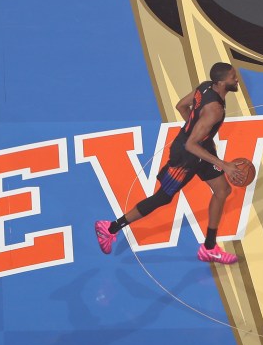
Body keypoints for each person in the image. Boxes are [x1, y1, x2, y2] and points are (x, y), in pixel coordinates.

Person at [95, 62, 245, 264]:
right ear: (220, 83)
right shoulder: (215, 110)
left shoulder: (205, 87)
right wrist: (223, 163)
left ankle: (209, 248)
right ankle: (110, 228)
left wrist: (197, 131)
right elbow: (192, 144)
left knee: (222, 190)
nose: (236, 79)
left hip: (200, 149)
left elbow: (181, 106)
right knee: (162, 198)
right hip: (186, 156)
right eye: (232, 77)